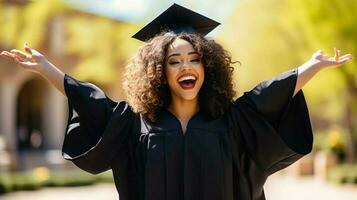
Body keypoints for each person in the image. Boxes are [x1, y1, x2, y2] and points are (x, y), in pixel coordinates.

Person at [0, 3, 353, 200]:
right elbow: (90, 101)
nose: (186, 66)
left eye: (194, 58)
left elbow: (272, 94)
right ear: (159, 71)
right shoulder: (135, 122)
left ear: (207, 65)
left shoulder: (231, 120)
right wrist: (48, 69)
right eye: (174, 61)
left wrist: (313, 65)